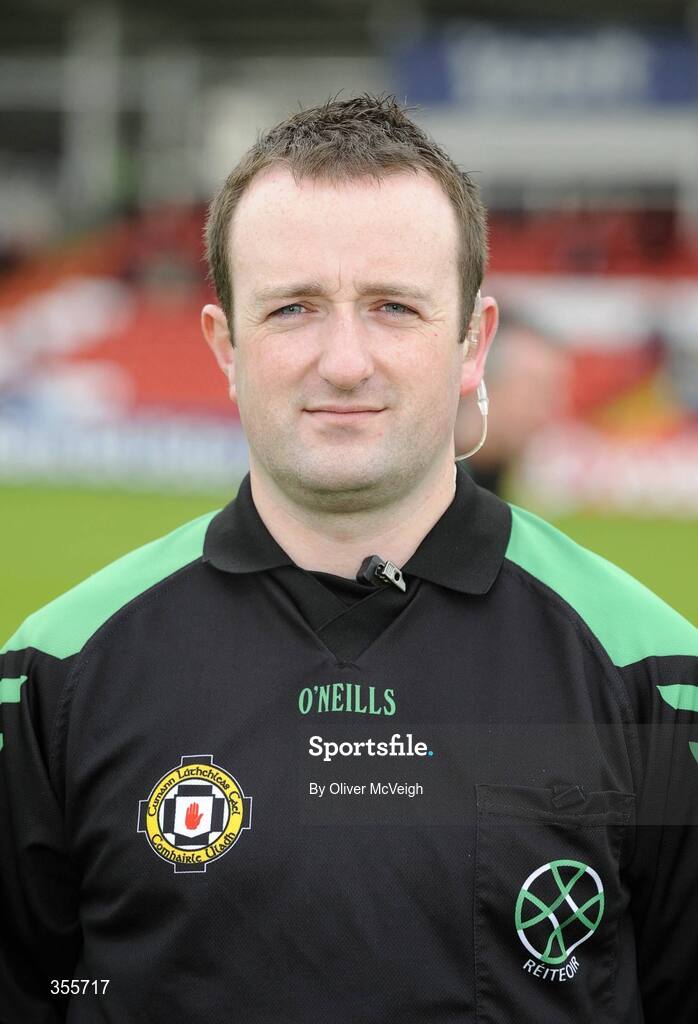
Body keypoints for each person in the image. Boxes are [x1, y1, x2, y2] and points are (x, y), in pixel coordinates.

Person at [1, 92, 696, 1024]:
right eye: (292, 308)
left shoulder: (659, 673)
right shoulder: (50, 675)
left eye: (393, 307)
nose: (343, 361)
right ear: (226, 345)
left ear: (472, 343)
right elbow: (44, 985)